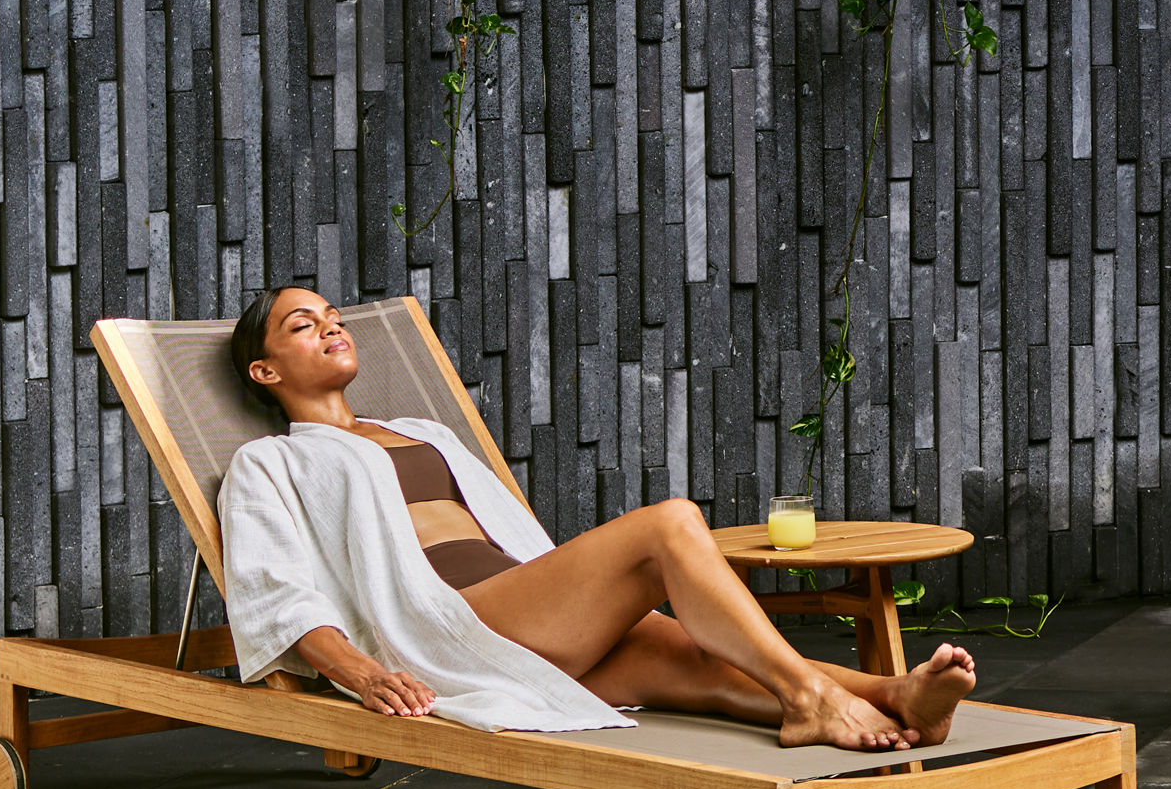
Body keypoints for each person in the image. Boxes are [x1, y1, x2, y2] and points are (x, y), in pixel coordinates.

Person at [216, 283, 973, 752]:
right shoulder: (271, 463)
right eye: (303, 325)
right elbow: (275, 587)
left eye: (334, 317)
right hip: (452, 623)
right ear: (265, 369)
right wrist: (360, 670)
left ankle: (898, 698)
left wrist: (572, 599)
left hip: (521, 608)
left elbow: (509, 536)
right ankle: (809, 699)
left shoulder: (422, 431)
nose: (332, 327)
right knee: (669, 525)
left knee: (703, 663)